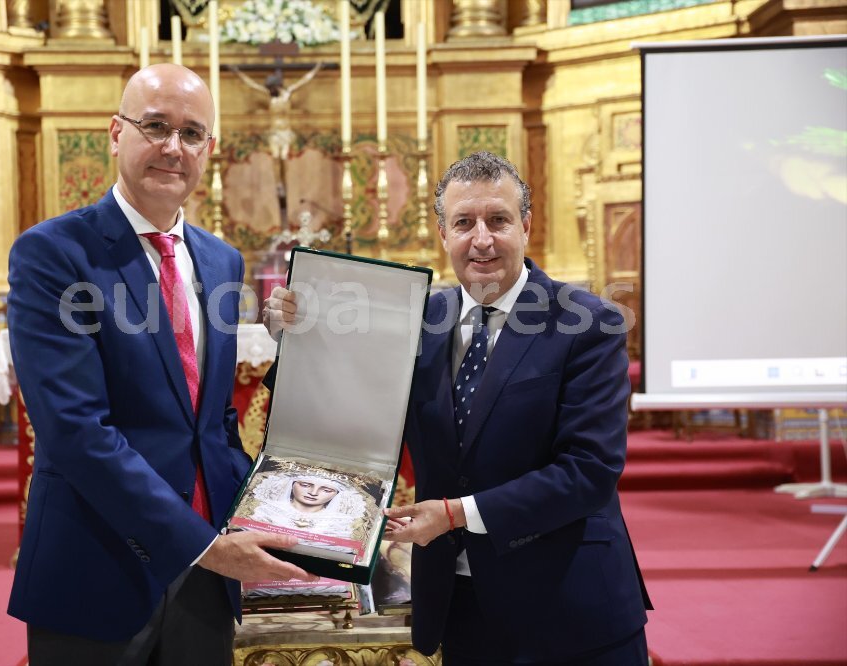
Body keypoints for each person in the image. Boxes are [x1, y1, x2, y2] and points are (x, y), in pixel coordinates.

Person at [263, 151, 652, 664]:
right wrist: (298, 342)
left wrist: (454, 515)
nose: (482, 239)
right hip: (461, 603)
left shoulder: (588, 322)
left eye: (498, 220)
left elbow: (588, 472)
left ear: (527, 226)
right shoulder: (416, 318)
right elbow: (345, 406)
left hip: (569, 606)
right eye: (465, 222)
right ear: (443, 233)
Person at [7, 64, 315, 666]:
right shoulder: (52, 254)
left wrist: (292, 507)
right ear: (116, 133)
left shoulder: (222, 262)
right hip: (97, 567)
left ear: (211, 149)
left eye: (192, 133)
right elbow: (76, 433)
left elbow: (215, 422)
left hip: (205, 584)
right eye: (155, 126)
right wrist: (204, 546)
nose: (174, 147)